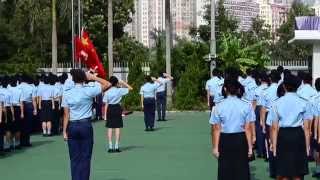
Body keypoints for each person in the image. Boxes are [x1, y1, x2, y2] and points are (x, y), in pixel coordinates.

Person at [62, 69, 110, 180]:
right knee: (85, 157)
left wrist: (64, 131)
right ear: (84, 78)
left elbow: (66, 115)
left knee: (74, 158)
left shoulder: (67, 92)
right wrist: (93, 77)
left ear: (73, 79)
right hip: (85, 125)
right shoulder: (88, 91)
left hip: (72, 126)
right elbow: (107, 84)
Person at [269, 74, 312, 180]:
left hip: (283, 135)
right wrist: (307, 147)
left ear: (284, 86)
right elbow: (307, 128)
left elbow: (274, 128)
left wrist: (274, 146)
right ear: (297, 86)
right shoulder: (304, 102)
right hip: (298, 135)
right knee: (298, 171)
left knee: (283, 171)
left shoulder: (276, 103)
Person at [210, 78, 253, 180]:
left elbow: (216, 129)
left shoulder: (218, 107)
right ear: (238, 90)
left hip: (225, 140)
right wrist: (250, 147)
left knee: (225, 169)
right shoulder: (246, 105)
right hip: (241, 139)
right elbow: (248, 128)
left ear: (225, 89)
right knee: (242, 168)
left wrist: (215, 147)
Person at [103, 76, 133, 153]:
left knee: (109, 127)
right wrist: (123, 82)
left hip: (110, 108)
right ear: (117, 83)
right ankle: (116, 146)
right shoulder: (119, 90)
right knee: (117, 127)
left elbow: (106, 104)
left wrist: (105, 115)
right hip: (117, 108)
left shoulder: (107, 92)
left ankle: (110, 146)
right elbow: (130, 88)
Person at [260, 70, 281, 178]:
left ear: (270, 79)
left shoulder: (266, 91)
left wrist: (263, 124)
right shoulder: (282, 89)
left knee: (271, 143)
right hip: (281, 117)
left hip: (269, 116)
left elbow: (263, 109)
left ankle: (273, 170)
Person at [254, 72, 269, 159]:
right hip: (269, 109)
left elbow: (254, 102)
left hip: (259, 108)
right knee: (268, 129)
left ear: (260, 80)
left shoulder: (257, 89)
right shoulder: (269, 89)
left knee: (259, 130)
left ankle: (260, 151)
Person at [19, 74, 37, 147]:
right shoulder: (31, 87)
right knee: (28, 124)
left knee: (21, 124)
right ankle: (27, 141)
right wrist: (35, 109)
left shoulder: (18, 87)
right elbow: (33, 100)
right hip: (29, 105)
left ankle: (20, 141)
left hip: (19, 105)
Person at [8, 75, 23, 149]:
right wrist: (22, 112)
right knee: (17, 128)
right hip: (17, 108)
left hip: (8, 108)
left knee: (10, 128)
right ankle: (17, 144)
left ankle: (10, 144)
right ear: (17, 82)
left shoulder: (8, 89)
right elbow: (21, 103)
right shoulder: (19, 90)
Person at [312, 78, 320, 177]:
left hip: (318, 127)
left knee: (318, 150)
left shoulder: (314, 99)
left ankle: (318, 170)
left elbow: (315, 117)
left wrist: (314, 133)